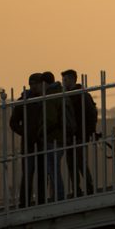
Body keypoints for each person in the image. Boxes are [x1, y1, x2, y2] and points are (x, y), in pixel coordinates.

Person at [10, 72, 45, 207]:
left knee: (41, 173)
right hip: (29, 143)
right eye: (31, 84)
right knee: (28, 174)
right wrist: (26, 132)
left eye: (35, 83)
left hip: (41, 142)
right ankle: (24, 202)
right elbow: (13, 123)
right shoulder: (24, 101)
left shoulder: (46, 98)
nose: (33, 86)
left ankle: (41, 200)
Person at [61, 69, 97, 196]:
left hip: (80, 134)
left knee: (80, 163)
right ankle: (77, 189)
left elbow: (91, 114)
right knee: (72, 164)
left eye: (65, 80)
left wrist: (88, 132)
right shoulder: (67, 96)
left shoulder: (81, 95)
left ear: (72, 79)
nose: (63, 83)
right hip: (71, 135)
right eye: (63, 80)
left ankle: (88, 187)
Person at [41, 71, 76, 200]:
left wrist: (40, 132)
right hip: (64, 136)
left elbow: (50, 119)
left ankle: (58, 196)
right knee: (55, 168)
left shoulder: (51, 96)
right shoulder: (62, 93)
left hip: (54, 137)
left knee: (53, 170)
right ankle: (56, 194)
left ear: (44, 83)